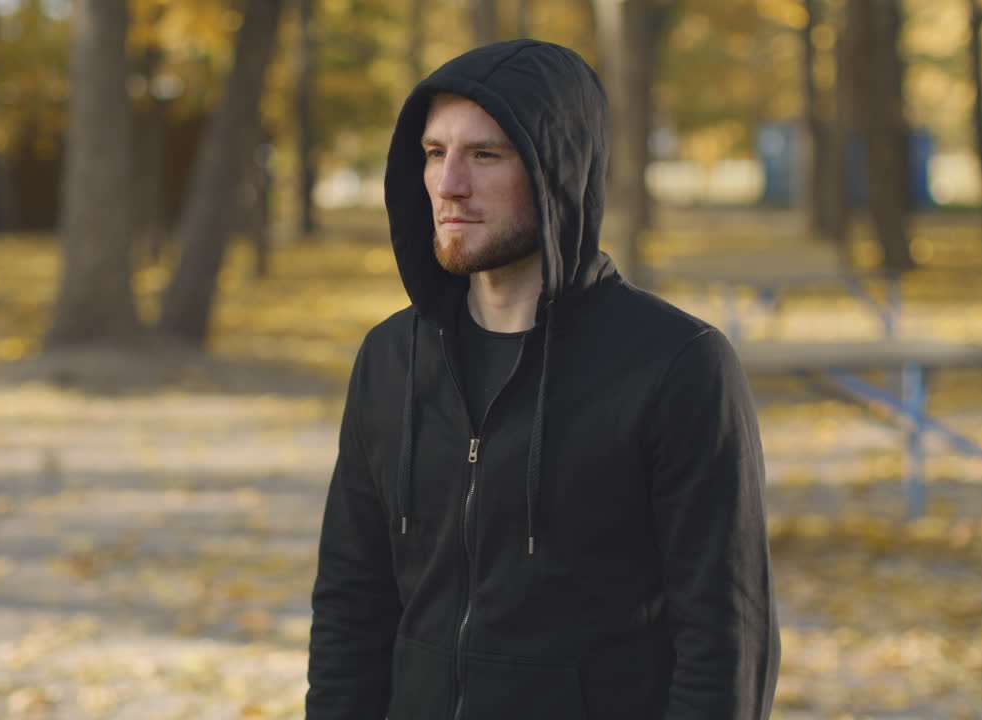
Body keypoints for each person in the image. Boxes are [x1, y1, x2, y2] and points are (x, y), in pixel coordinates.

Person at [306, 39, 780, 720]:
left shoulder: (677, 366)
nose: (448, 184)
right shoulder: (390, 359)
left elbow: (725, 635)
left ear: (558, 170)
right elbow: (350, 607)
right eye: (435, 152)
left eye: (485, 155)